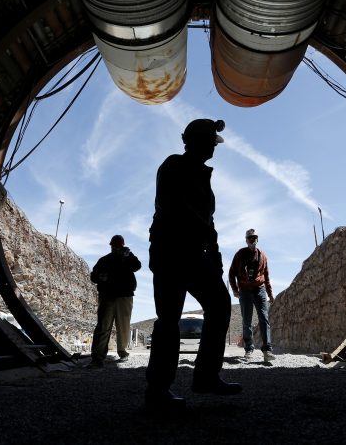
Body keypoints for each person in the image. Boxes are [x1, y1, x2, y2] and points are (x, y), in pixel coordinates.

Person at [145, 118, 241, 411]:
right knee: (168, 319)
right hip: (170, 251)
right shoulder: (174, 165)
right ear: (194, 140)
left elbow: (209, 224)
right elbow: (170, 206)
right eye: (211, 141)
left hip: (194, 253)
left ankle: (206, 377)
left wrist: (215, 256)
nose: (214, 146)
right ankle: (158, 392)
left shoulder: (203, 177)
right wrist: (204, 235)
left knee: (220, 305)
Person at [87, 234, 140, 368]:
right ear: (111, 246)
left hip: (125, 296)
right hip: (107, 296)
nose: (116, 248)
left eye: (119, 246)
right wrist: (100, 277)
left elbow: (137, 266)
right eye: (114, 246)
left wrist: (129, 255)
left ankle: (122, 353)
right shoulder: (104, 260)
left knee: (123, 326)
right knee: (103, 326)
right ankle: (97, 358)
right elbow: (93, 276)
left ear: (122, 246)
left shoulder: (128, 259)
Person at [229, 228, 276, 362]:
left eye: (254, 238)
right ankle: (249, 349)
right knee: (246, 321)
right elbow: (231, 273)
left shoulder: (262, 256)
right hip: (244, 291)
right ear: (246, 240)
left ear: (257, 239)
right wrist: (235, 290)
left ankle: (267, 350)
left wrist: (270, 294)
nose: (252, 240)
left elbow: (266, 276)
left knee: (264, 318)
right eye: (250, 238)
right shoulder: (240, 255)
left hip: (259, 290)